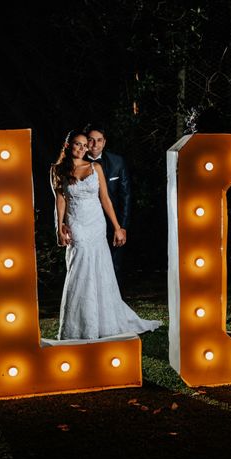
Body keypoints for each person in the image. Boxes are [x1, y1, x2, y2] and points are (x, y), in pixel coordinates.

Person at [51, 130, 160, 339]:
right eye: (78, 144)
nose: (83, 148)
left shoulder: (95, 167)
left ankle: (104, 321)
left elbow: (105, 199)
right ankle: (79, 325)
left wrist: (118, 227)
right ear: (67, 146)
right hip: (77, 224)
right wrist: (59, 227)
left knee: (100, 268)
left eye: (84, 145)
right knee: (79, 269)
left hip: (96, 224)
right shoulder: (57, 170)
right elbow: (60, 201)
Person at [82, 124, 131, 283]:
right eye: (91, 140)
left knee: (114, 267)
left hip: (112, 223)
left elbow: (126, 196)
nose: (95, 145)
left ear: (104, 142)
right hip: (86, 223)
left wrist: (121, 227)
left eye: (99, 140)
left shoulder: (117, 162)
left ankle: (114, 303)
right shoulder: (76, 163)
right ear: (85, 142)